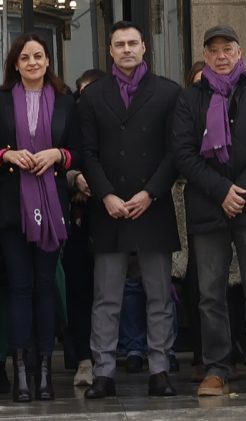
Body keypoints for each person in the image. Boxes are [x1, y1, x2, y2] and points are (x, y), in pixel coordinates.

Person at [172, 23, 246, 398]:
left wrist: (242, 191)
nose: (221, 56)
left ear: (240, 53)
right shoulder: (191, 99)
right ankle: (216, 368)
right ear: (205, 56)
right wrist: (222, 191)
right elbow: (184, 154)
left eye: (228, 49)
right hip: (208, 206)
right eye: (214, 50)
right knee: (210, 293)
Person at [72, 22, 182, 396]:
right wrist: (105, 195)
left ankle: (160, 369)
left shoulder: (168, 92)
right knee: (106, 296)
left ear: (145, 47)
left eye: (133, 43)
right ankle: (103, 371)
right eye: (119, 44)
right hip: (109, 209)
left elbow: (175, 152)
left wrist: (151, 193)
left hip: (153, 206)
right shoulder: (92, 96)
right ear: (110, 50)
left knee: (158, 294)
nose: (127, 49)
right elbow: (86, 152)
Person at [0, 33, 73, 402]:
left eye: (38, 56)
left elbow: (80, 150)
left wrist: (58, 155)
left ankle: (45, 373)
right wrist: (7, 155)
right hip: (10, 207)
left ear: (48, 61)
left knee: (44, 286)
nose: (32, 62)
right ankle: (20, 371)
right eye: (25, 57)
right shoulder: (0, 100)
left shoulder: (67, 101)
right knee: (19, 287)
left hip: (52, 205)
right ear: (15, 65)